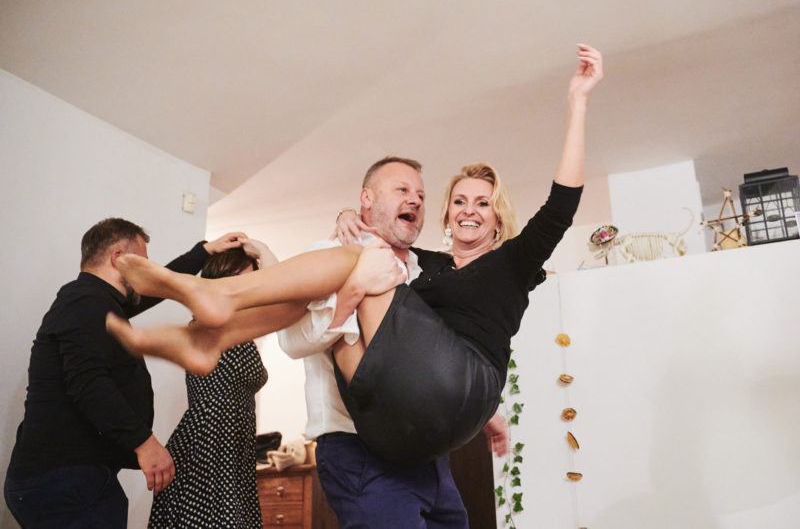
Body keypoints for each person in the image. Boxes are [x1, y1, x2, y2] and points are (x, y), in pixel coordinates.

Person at [106, 43, 602, 468]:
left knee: (366, 260)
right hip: (395, 426)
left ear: (498, 218)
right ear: (448, 216)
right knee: (365, 262)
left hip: (463, 384)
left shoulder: (511, 263)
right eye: (458, 201)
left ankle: (218, 305)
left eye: (483, 203)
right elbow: (382, 244)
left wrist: (577, 102)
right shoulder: (427, 267)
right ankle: (212, 335)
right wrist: (350, 214)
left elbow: (561, 205)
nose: (469, 210)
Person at [277, 156, 506, 527]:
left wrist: (480, 411)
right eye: (402, 189)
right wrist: (352, 291)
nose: (414, 199)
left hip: (429, 455)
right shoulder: (329, 252)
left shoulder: (426, 271)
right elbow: (291, 340)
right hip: (360, 450)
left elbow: (435, 357)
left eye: (421, 195)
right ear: (367, 198)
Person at [4, 217, 243, 529]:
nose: (148, 273)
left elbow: (158, 288)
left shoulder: (96, 301)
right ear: (119, 258)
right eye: (143, 263)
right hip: (64, 482)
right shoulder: (85, 301)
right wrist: (145, 443)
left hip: (72, 479)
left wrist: (204, 252)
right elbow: (88, 383)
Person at [149, 240, 275, 528]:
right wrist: (262, 252)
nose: (249, 289)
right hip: (207, 448)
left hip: (234, 451)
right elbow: (285, 297)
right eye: (241, 280)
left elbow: (280, 296)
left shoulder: (237, 328)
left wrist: (262, 254)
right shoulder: (210, 327)